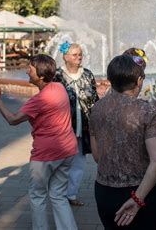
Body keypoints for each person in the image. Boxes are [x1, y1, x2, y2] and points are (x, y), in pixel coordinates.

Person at [0, 55, 78, 230]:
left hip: (45, 155)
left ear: (40, 75)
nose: (26, 71)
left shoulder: (38, 100)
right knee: (58, 194)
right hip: (68, 150)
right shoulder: (60, 87)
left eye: (30, 69)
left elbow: (13, 119)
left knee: (37, 195)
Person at [90, 54, 156, 229]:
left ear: (111, 80)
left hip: (105, 191)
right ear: (139, 81)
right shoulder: (147, 111)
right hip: (142, 192)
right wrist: (137, 199)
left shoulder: (96, 109)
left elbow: (96, 156)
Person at [54, 42, 99, 206]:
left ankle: (71, 195)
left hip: (84, 127)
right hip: (63, 127)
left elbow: (95, 99)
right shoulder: (57, 76)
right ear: (65, 57)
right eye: (75, 54)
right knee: (61, 161)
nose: (79, 57)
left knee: (79, 162)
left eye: (80, 54)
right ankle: (58, 193)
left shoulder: (87, 74)